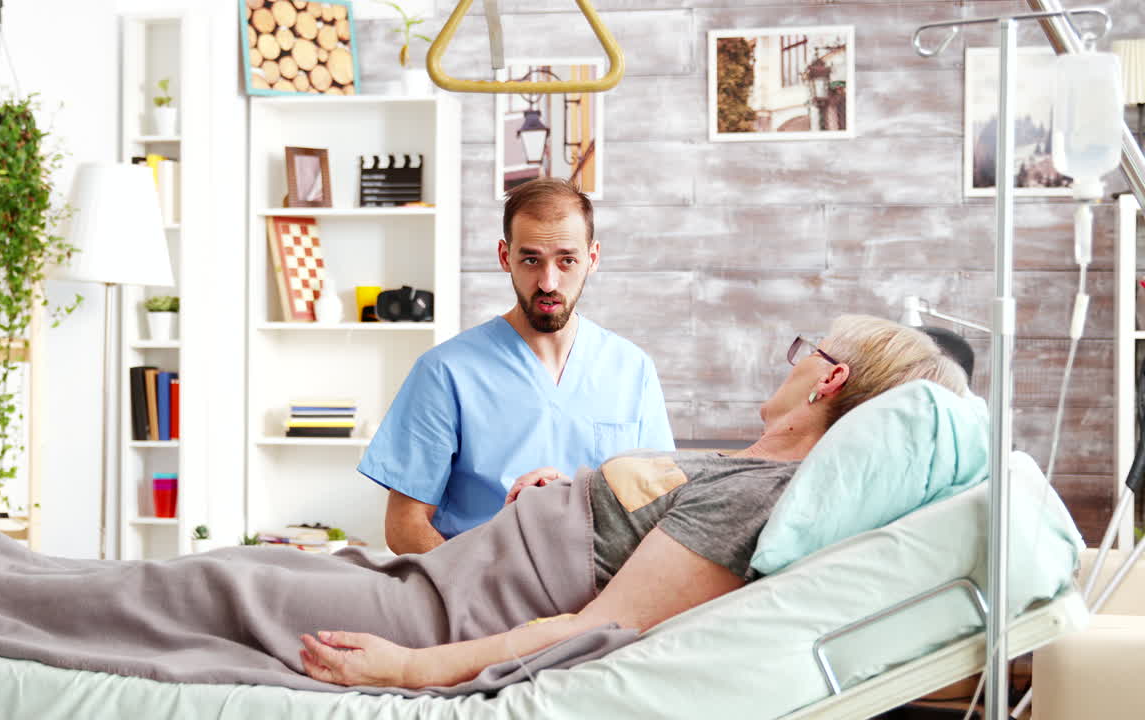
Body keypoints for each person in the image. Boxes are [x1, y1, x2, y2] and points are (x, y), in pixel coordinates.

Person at [298, 315, 970, 688]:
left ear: (830, 379)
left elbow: (602, 624)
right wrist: (549, 499)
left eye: (806, 351)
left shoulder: (753, 497)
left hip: (463, 604)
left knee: (241, 594)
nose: (791, 361)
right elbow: (631, 529)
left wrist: (412, 667)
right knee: (261, 578)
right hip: (458, 568)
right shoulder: (742, 467)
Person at [359, 178, 674, 554]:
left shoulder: (633, 370)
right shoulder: (444, 372)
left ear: (592, 258)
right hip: (479, 580)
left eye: (567, 260)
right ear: (505, 256)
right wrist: (476, 580)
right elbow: (404, 525)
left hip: (600, 581)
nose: (548, 282)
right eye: (531, 260)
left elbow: (660, 512)